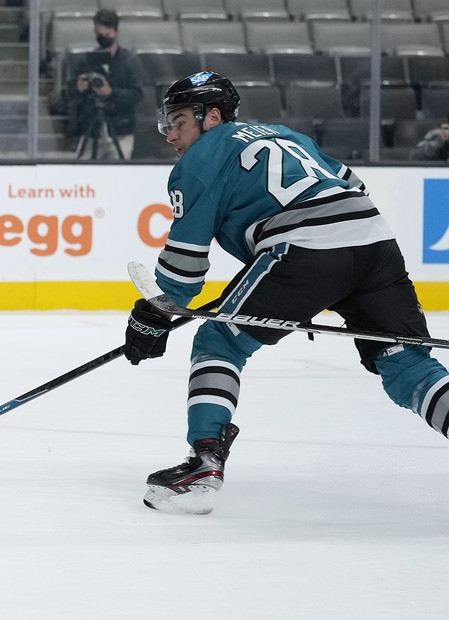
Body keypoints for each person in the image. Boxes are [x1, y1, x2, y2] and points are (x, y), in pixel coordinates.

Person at [123, 71, 449, 515]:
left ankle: (204, 462)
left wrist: (154, 313)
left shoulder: (199, 161)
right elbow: (353, 185)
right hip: (373, 241)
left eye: (179, 121)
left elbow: (183, 274)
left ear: (212, 117)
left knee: (218, 340)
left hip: (305, 250)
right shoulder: (285, 134)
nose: (171, 135)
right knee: (406, 364)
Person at [67, 9, 144, 160]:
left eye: (106, 35)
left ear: (115, 32)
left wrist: (111, 93)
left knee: (119, 175)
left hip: (121, 129)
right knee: (82, 172)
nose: (103, 38)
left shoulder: (129, 61)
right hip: (92, 129)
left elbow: (137, 94)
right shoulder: (86, 61)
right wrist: (78, 88)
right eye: (99, 34)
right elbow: (69, 93)